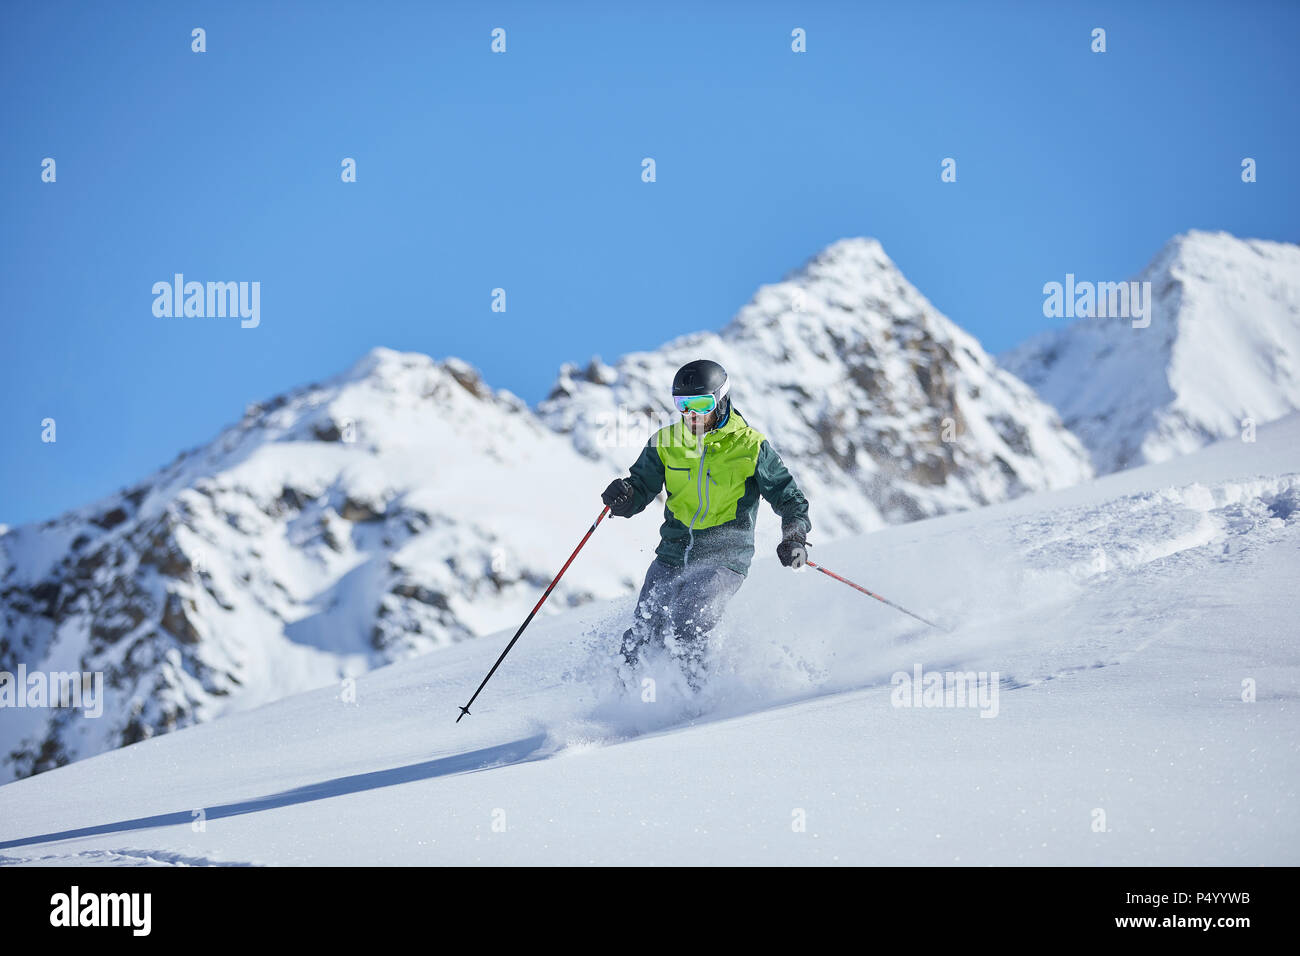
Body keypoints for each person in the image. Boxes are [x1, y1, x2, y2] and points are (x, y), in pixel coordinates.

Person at [601, 359, 811, 690]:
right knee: (641, 634)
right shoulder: (666, 442)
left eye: (701, 404)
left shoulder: (749, 446)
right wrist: (624, 497)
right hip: (672, 554)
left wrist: (794, 537)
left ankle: (695, 705)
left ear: (721, 400)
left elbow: (790, 499)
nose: (692, 414)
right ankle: (623, 711)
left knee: (688, 622)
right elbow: (639, 490)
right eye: (683, 405)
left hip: (724, 558)